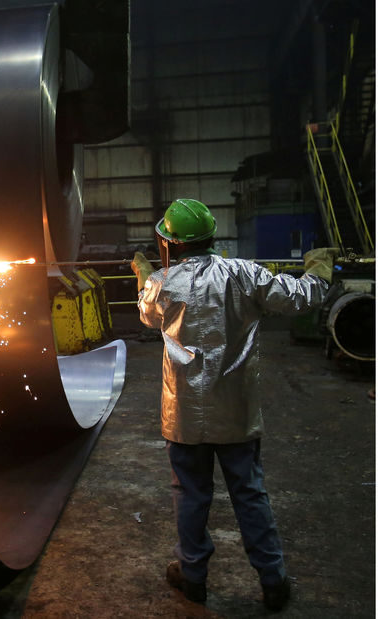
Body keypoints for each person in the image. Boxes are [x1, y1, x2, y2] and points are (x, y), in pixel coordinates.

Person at [129, 198, 336, 611]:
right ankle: (273, 580)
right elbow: (300, 297)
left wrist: (145, 275)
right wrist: (318, 267)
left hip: (184, 416)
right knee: (250, 494)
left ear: (169, 242)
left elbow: (147, 313)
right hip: (235, 413)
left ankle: (193, 577)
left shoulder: (163, 284)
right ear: (210, 237)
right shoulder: (244, 274)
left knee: (190, 495)